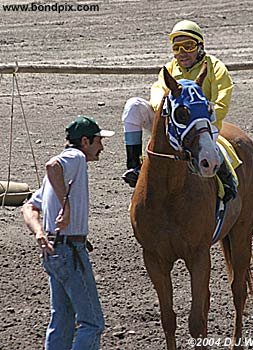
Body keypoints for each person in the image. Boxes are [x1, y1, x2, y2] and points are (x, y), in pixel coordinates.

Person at [21, 115, 114, 350]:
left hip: (53, 252)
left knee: (61, 320)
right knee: (92, 323)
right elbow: (52, 165)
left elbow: (29, 207)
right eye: (98, 140)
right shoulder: (76, 157)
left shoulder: (62, 173)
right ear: (85, 141)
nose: (102, 146)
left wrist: (39, 232)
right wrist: (66, 205)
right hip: (70, 252)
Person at [121, 19, 237, 203]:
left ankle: (226, 177)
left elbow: (222, 101)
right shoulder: (169, 69)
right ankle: (134, 165)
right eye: (177, 48)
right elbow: (158, 92)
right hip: (173, 122)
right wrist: (169, 111)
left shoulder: (215, 68)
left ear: (200, 47)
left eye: (188, 46)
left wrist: (203, 118)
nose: (182, 53)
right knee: (133, 106)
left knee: (209, 145)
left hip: (203, 124)